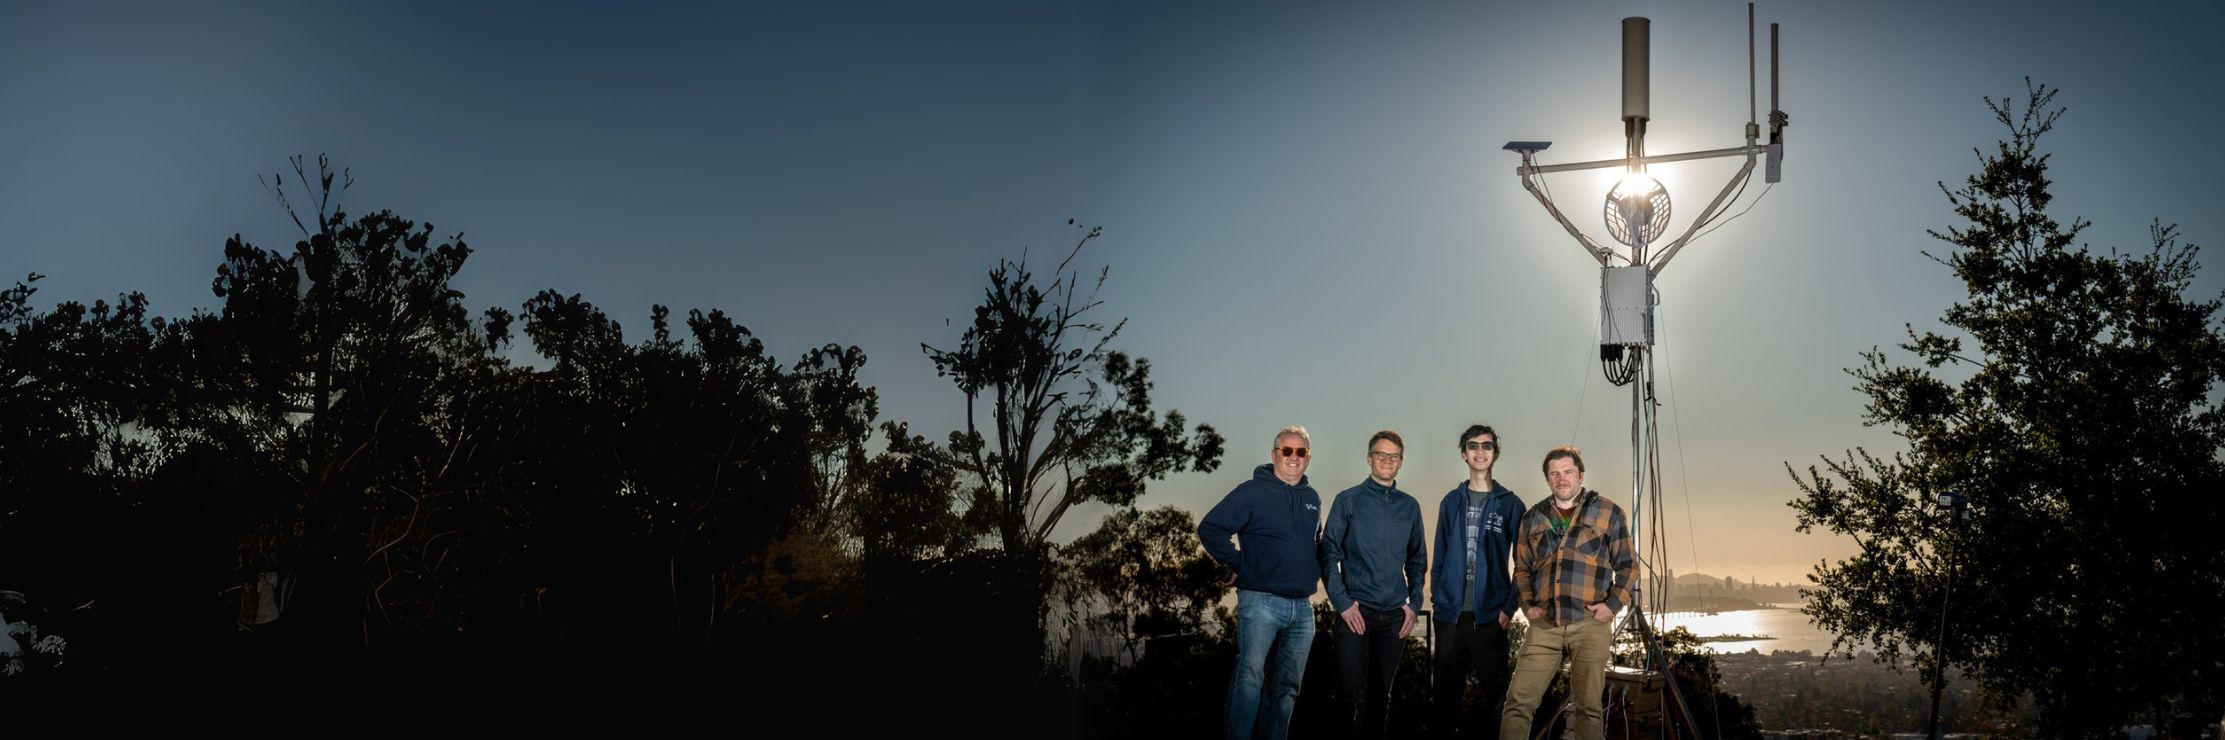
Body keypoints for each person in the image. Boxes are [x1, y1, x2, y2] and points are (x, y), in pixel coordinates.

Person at [1199, 425, 1326, 740]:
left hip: (1302, 608)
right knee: (1250, 678)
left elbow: (1316, 545)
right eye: (1287, 450)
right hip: (1260, 603)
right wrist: (1241, 564)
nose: (1294, 457)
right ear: (1274, 455)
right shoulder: (1252, 491)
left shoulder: (1312, 497)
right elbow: (1211, 527)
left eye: (1301, 451)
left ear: (1308, 457)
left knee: (1287, 687)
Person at [1499, 445, 1634, 740]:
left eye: (1568, 472)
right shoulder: (1532, 518)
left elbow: (1628, 567)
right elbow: (1522, 569)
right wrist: (1528, 605)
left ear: (1581, 476)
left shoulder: (1608, 512)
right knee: (1518, 703)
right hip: (1544, 624)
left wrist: (1612, 605)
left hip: (1589, 624)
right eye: (1554, 473)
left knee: (1589, 708)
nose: (1562, 479)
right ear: (1547, 479)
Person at [1319, 430, 1426, 740]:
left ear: (1401, 462)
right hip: (1355, 611)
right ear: (1369, 459)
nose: (1387, 460)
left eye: (1393, 456)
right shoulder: (1348, 500)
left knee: (1382, 696)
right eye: (1381, 454)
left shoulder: (1410, 506)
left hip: (1395, 616)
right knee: (1348, 693)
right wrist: (1343, 603)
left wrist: (1413, 604)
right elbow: (1328, 555)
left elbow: (1417, 561)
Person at [1428, 425, 1525, 739]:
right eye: (1473, 446)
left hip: (1490, 616)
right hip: (1450, 616)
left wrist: (1509, 608)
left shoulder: (1510, 504)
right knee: (1445, 699)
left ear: (1495, 452)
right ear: (1463, 453)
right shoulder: (1450, 501)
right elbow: (1439, 556)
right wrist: (1439, 601)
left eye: (1486, 446)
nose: (1480, 451)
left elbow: (1525, 564)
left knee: (1499, 698)